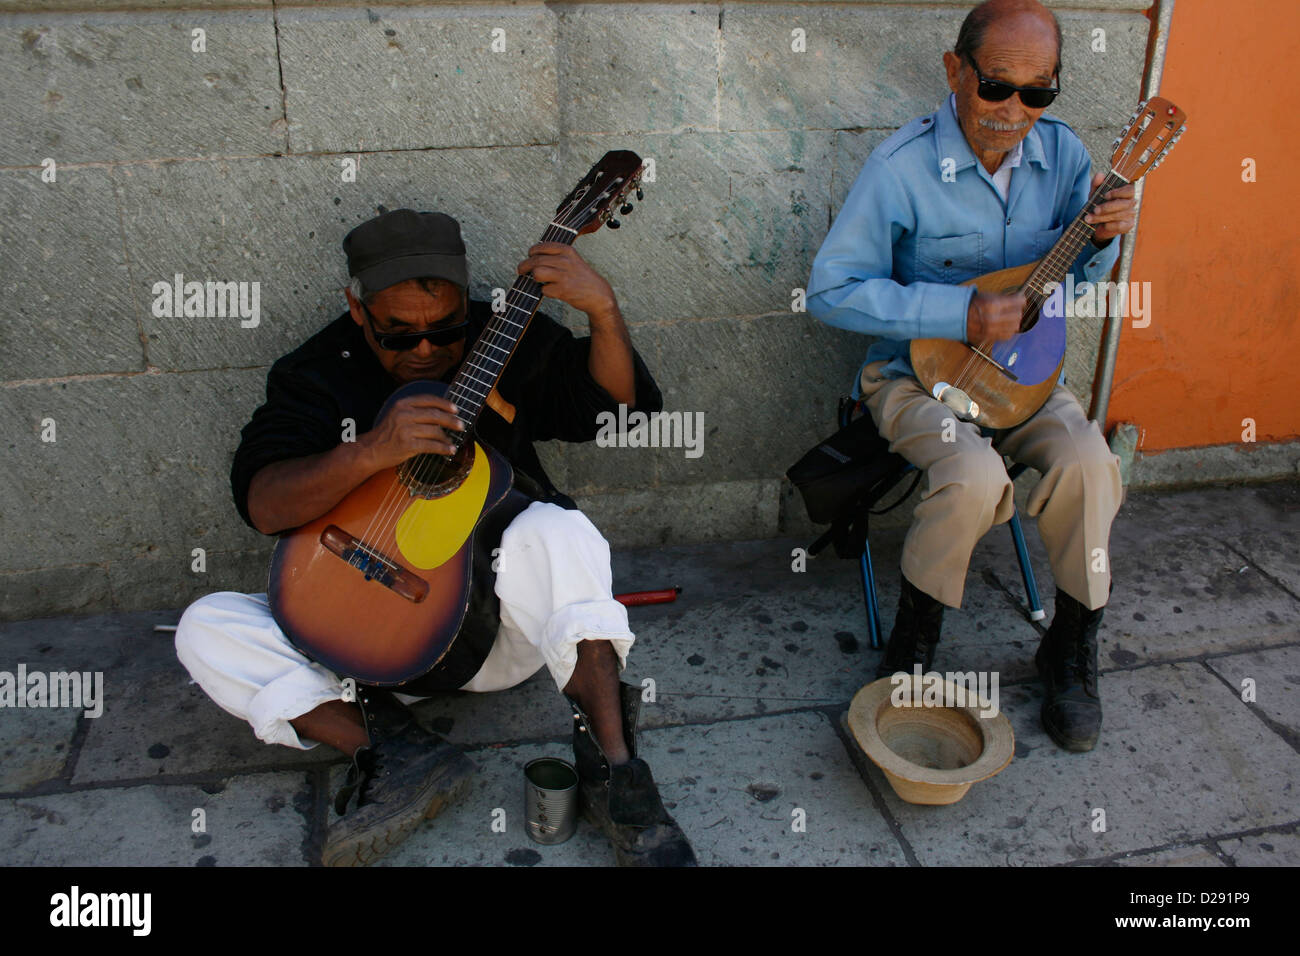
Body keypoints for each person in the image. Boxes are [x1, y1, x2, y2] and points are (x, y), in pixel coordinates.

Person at [175, 207, 696, 866]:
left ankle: (616, 772)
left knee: (560, 529)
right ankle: (393, 750)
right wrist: (368, 454)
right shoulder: (315, 372)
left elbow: (618, 412)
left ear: (465, 304)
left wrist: (604, 313)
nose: (423, 349)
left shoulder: (505, 335)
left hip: (494, 636)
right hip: (362, 654)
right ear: (357, 310)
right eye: (398, 335)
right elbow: (263, 503)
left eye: (443, 330)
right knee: (206, 626)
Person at [807, 0, 1135, 752]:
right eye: (995, 86)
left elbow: (1069, 289)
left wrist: (1104, 242)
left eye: (1038, 92)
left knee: (1091, 464)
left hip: (1025, 378)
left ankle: (1071, 647)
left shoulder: (1066, 159)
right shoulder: (902, 166)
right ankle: (913, 650)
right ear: (956, 72)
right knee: (975, 476)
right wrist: (959, 313)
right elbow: (830, 290)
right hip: (915, 378)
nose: (1013, 110)